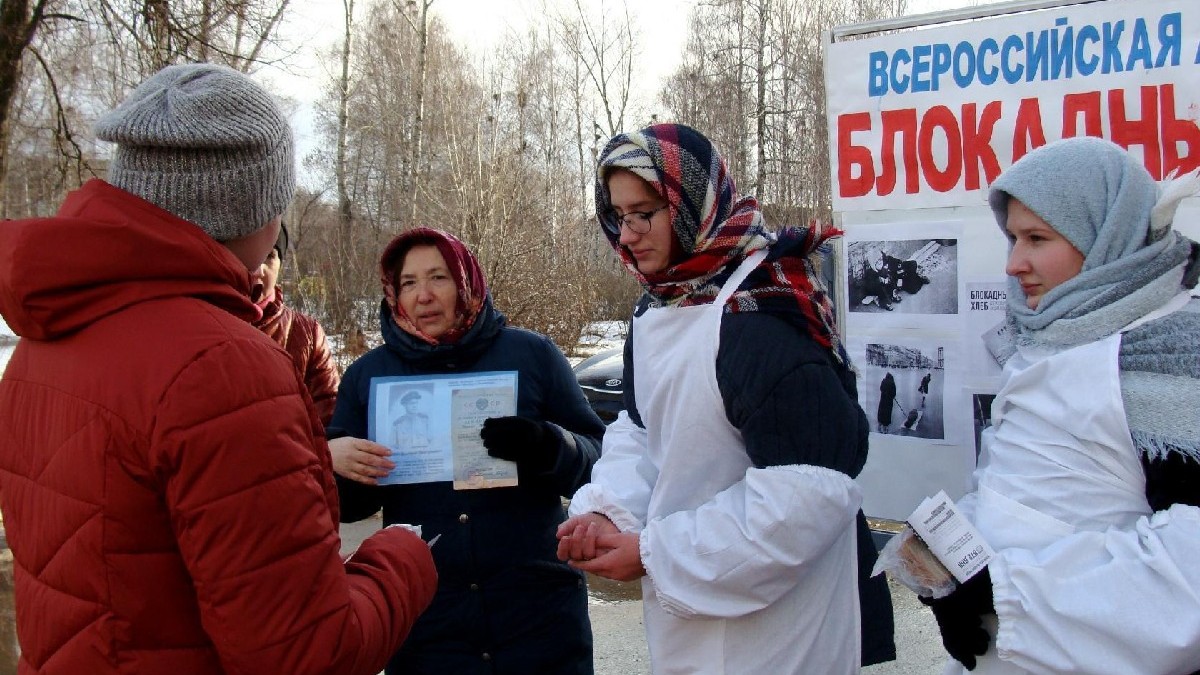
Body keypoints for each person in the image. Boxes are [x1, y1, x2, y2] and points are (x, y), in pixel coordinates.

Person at [0, 63, 437, 674]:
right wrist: (402, 558)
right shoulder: (222, 366)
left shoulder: (42, 341)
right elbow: (306, 656)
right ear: (254, 208)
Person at [556, 123, 895, 673]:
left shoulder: (761, 315)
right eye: (619, 216)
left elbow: (806, 500)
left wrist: (654, 552)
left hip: (786, 629)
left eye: (645, 213)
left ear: (693, 204)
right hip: (692, 608)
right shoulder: (659, 306)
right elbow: (642, 433)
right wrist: (609, 511)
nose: (628, 234)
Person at [921, 136, 1200, 673]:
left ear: (1106, 236)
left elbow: (1188, 570)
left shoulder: (1164, 356)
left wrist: (1006, 597)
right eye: (1012, 238)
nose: (1014, 263)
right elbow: (1022, 492)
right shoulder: (1052, 339)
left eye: (1036, 238)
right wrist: (952, 572)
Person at [327, 227, 606, 674]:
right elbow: (352, 508)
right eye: (409, 283)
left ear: (464, 280)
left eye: (438, 277)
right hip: (428, 623)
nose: (423, 296)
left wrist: (547, 444)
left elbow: (600, 461)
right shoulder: (369, 377)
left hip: (537, 618)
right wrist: (334, 461)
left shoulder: (530, 355)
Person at [252, 223, 340, 424]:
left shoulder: (306, 333)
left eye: (269, 257)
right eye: (249, 257)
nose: (258, 269)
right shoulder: (201, 326)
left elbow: (330, 416)